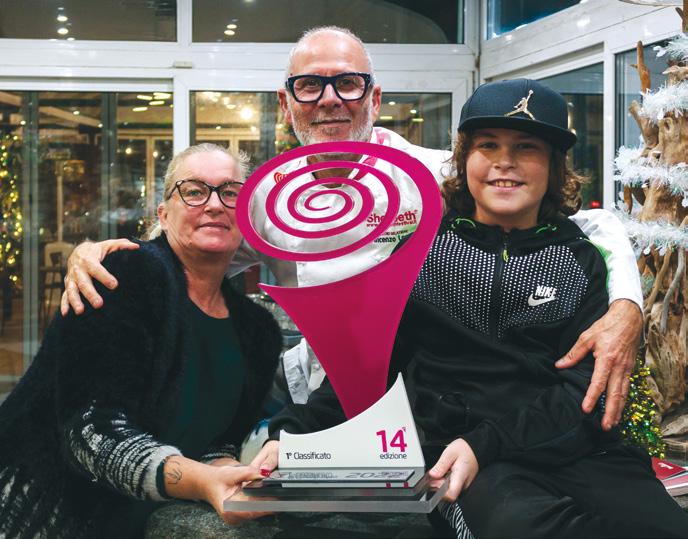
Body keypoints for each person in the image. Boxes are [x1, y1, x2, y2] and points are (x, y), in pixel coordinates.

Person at [61, 26, 641, 430]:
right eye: (309, 86)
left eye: (348, 83)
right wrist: (98, 255)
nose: (329, 100)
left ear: (376, 97)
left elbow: (590, 223)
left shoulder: (431, 175)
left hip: (424, 397)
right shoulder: (269, 199)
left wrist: (626, 307)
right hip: (316, 396)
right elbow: (189, 248)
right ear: (286, 104)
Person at [253, 79, 688, 538]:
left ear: (554, 166)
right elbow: (369, 367)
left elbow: (583, 389)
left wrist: (490, 441)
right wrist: (292, 437)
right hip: (465, 459)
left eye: (527, 147)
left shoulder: (582, 259)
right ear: (463, 160)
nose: (505, 161)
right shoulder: (420, 254)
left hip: (579, 450)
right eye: (488, 145)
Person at [0, 143, 282, 537]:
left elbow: (217, 442)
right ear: (163, 215)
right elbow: (91, 431)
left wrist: (233, 474)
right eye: (195, 191)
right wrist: (202, 481)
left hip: (138, 522)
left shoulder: (258, 331)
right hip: (43, 515)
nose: (215, 205)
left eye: (231, 193)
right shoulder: (125, 276)